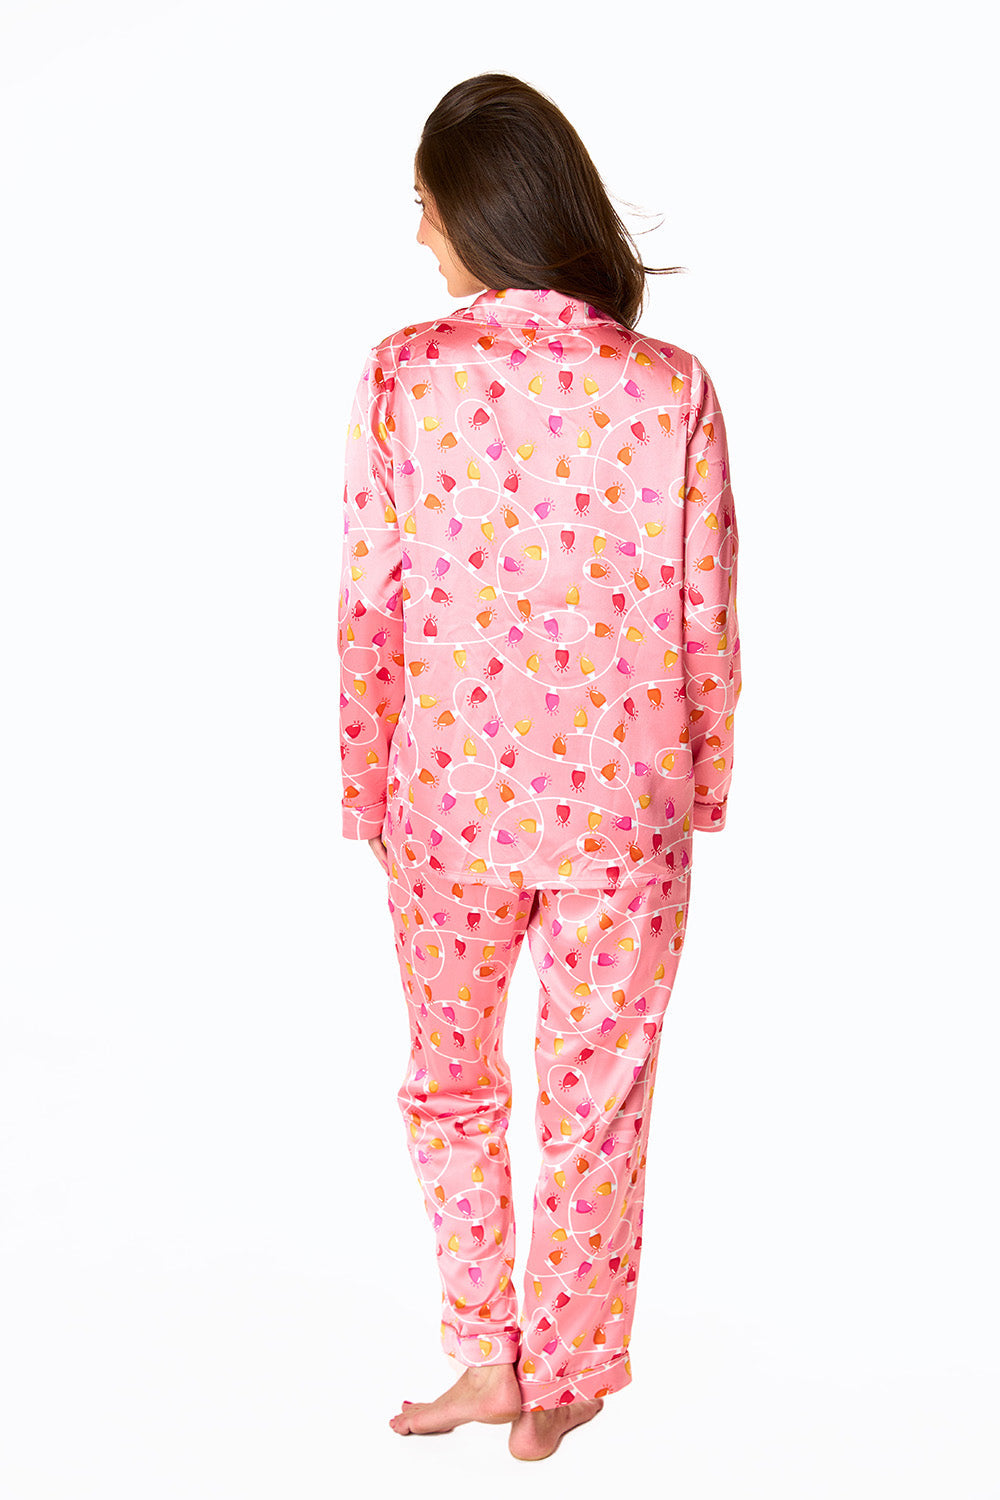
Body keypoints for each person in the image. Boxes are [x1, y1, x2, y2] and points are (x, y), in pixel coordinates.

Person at [337, 73, 742, 1461]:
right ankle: (562, 1373)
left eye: (425, 207)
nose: (418, 235)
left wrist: (365, 782)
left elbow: (372, 602)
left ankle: (488, 1356)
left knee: (451, 1084)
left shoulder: (406, 375)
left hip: (448, 802)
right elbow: (706, 609)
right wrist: (701, 783)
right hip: (624, 811)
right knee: (598, 1094)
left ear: (479, 210)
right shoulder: (670, 388)